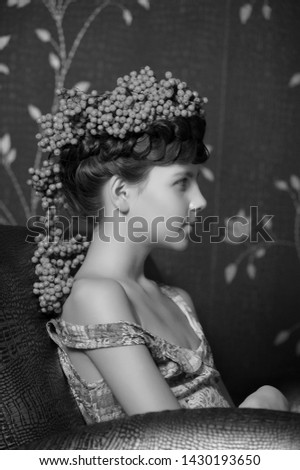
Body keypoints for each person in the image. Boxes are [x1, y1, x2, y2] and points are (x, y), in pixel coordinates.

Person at [29, 66, 289, 424]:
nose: (199, 201)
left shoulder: (178, 301)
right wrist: (267, 406)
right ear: (121, 193)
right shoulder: (96, 296)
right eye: (182, 183)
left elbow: (228, 421)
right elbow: (172, 446)